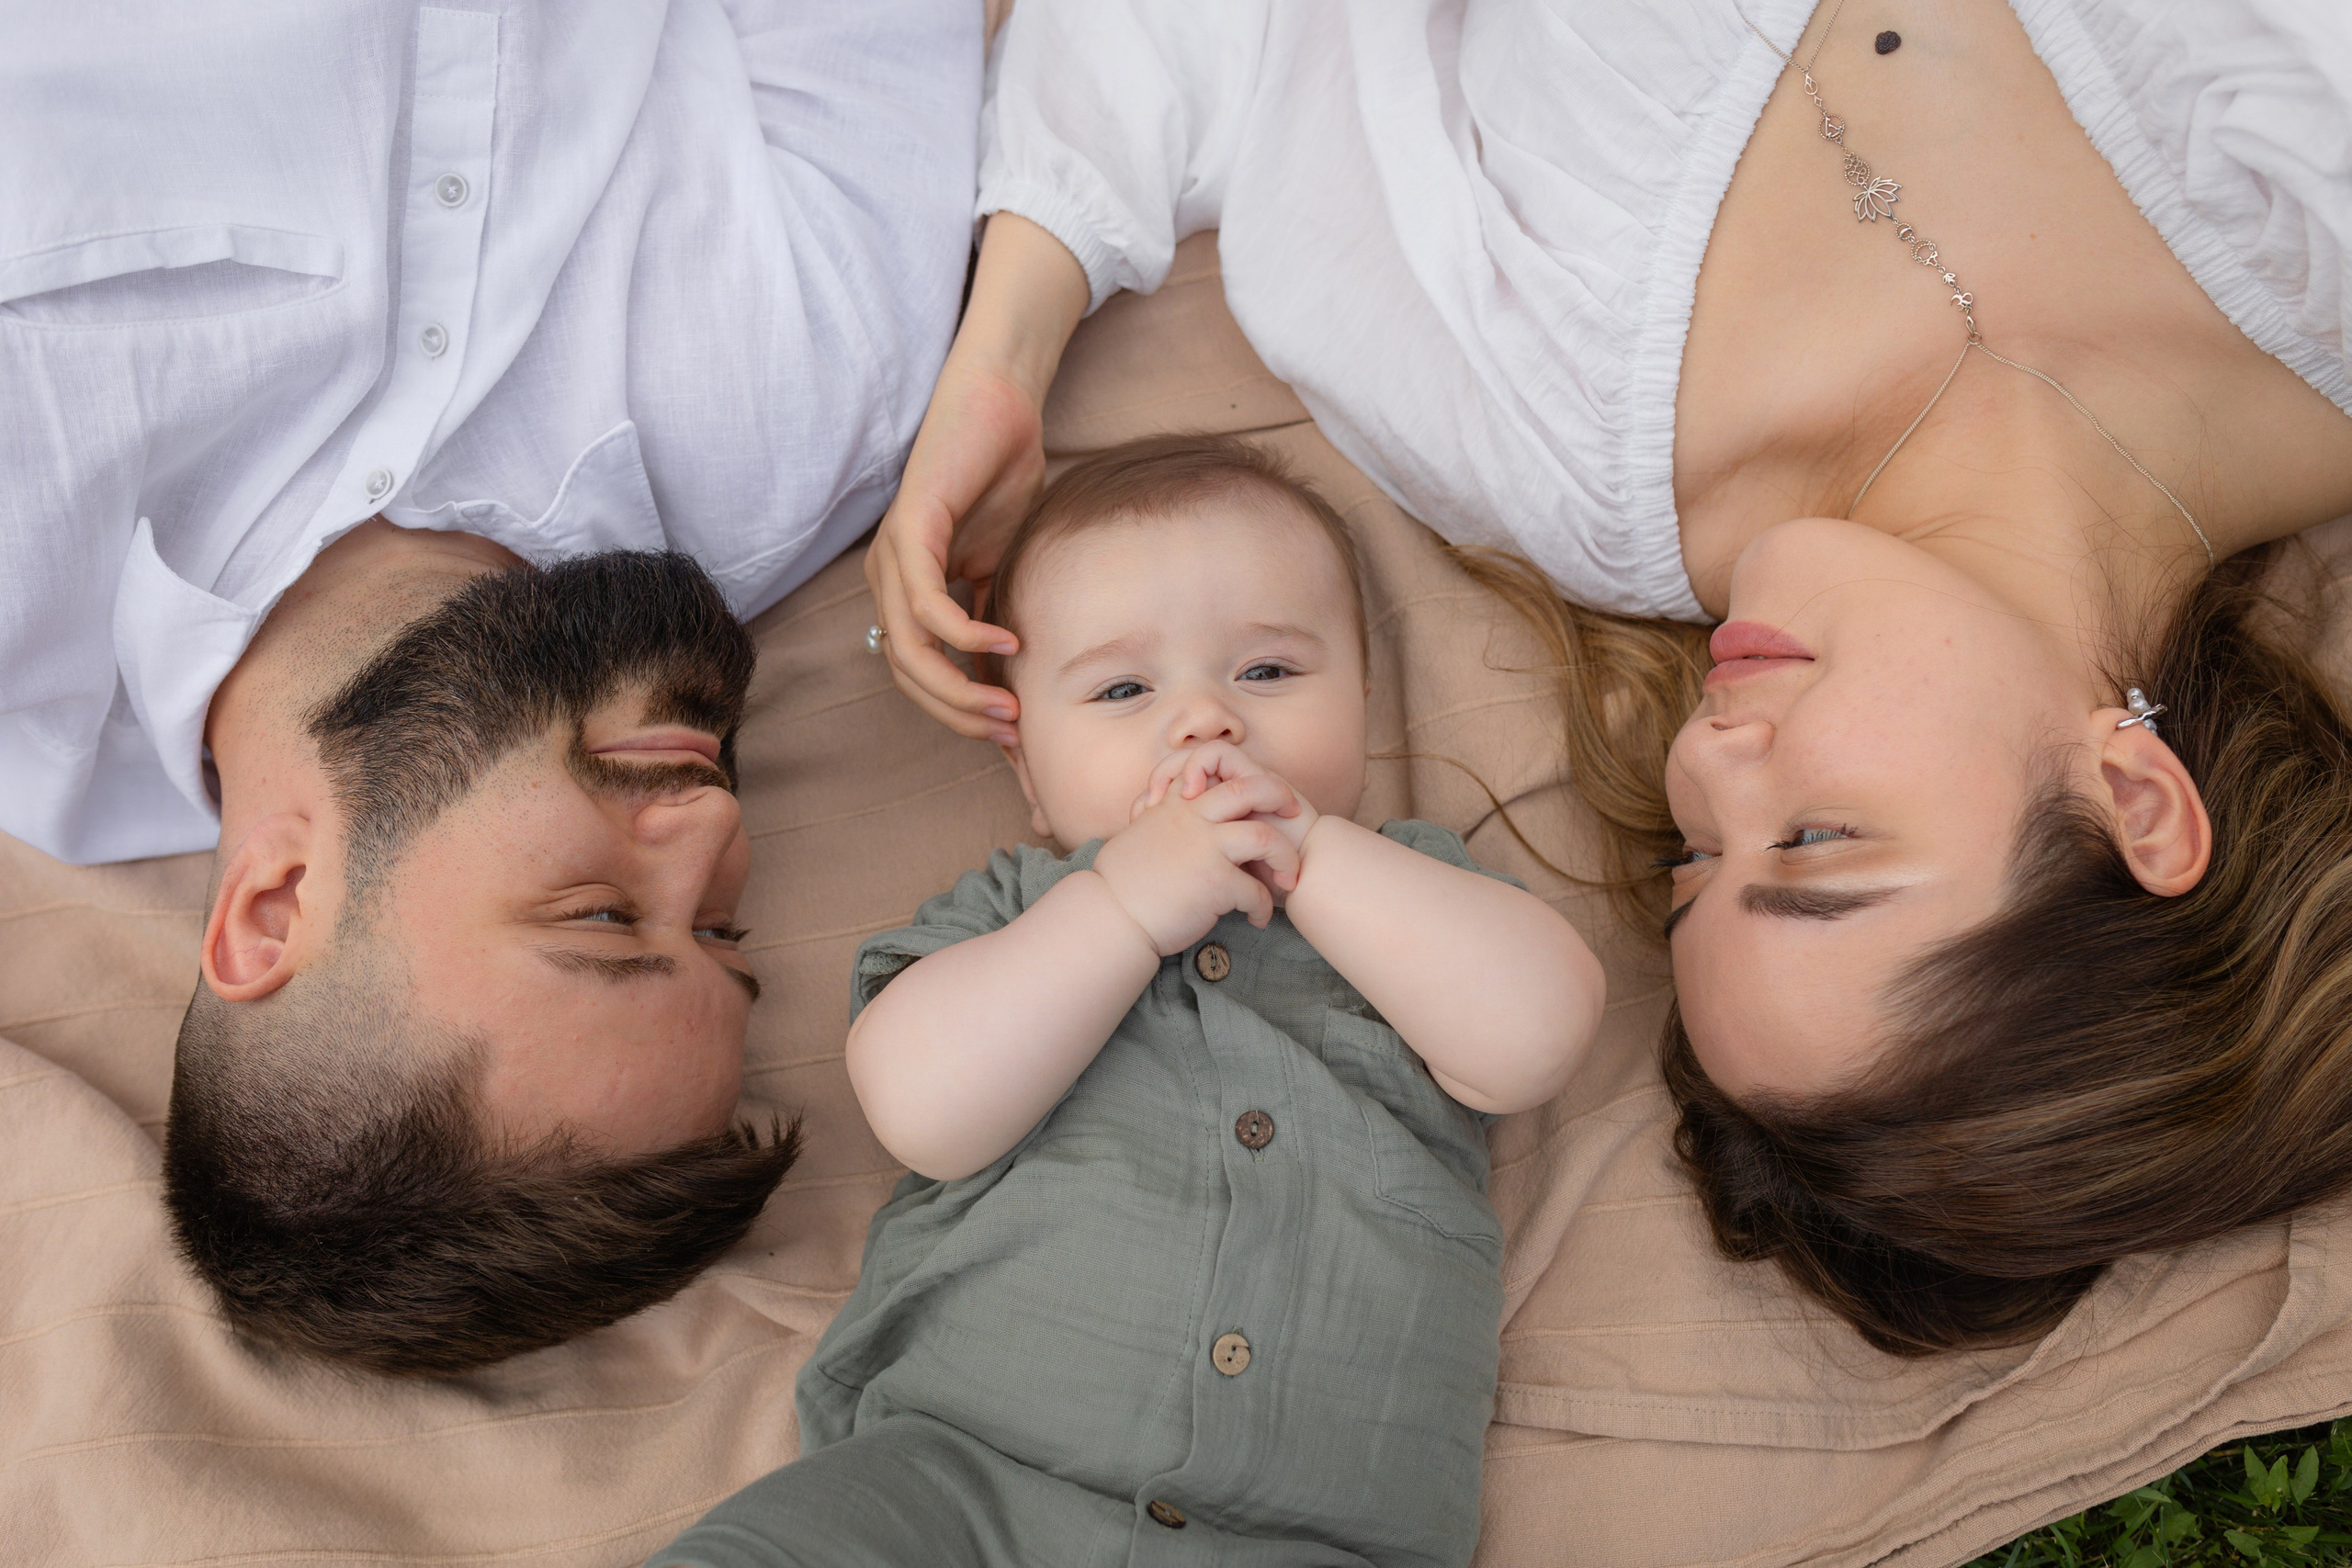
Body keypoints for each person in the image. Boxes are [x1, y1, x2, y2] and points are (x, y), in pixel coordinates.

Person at [860, 0, 2352, 1355]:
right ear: (2135, 793)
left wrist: (1002, 351)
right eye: (1819, 840)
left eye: (1700, 852)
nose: (1706, 760)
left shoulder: (1549, 439)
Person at [0, 0, 981, 1373]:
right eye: (724, 929)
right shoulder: (815, 422)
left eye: (601, 913)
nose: (713, 831)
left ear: (276, 905)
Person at [650, 436, 1604, 1566]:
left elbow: (1536, 1033)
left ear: (1363, 706)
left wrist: (1313, 854)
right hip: (962, 1479)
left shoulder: (1416, 894)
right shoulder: (1011, 913)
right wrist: (1118, 906)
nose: (1205, 721)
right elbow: (923, 1108)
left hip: (1320, 1531)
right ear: (1029, 775)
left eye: (1268, 673)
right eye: (1121, 689)